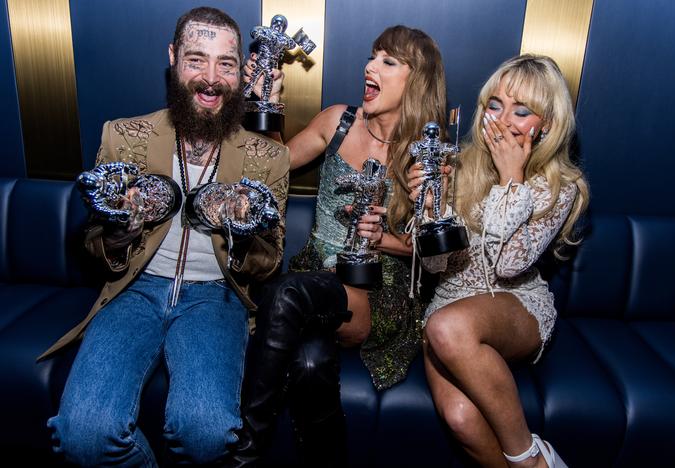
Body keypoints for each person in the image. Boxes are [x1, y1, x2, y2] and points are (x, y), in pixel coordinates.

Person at [38, 7, 289, 466]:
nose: (211, 79)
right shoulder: (123, 136)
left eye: (226, 64)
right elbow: (95, 242)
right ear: (173, 58)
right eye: (196, 60)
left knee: (208, 435)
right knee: (84, 437)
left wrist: (242, 232)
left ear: (241, 71)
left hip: (216, 298)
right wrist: (119, 228)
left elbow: (269, 260)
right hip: (134, 292)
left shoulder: (266, 157)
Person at [231, 25, 447, 466]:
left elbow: (438, 253)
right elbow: (275, 168)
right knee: (309, 366)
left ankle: (243, 454)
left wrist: (384, 238)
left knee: (286, 292)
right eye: (372, 56)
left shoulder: (427, 154)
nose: (370, 66)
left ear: (417, 79)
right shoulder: (338, 120)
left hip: (377, 289)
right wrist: (266, 100)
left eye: (389, 61)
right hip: (318, 274)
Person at [407, 54, 589, 468]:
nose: (504, 120)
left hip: (514, 305)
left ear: (547, 123)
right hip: (450, 305)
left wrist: (512, 180)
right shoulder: (457, 166)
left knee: (447, 325)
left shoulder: (560, 186)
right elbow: (437, 269)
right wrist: (431, 210)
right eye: (495, 105)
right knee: (460, 418)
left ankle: (531, 459)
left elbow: (507, 265)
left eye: (522, 111)